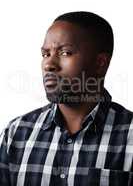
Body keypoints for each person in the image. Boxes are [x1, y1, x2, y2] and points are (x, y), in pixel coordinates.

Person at [0, 11, 133, 186]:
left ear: (100, 63)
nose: (49, 64)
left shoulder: (130, 135)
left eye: (65, 53)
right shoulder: (16, 133)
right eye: (46, 54)